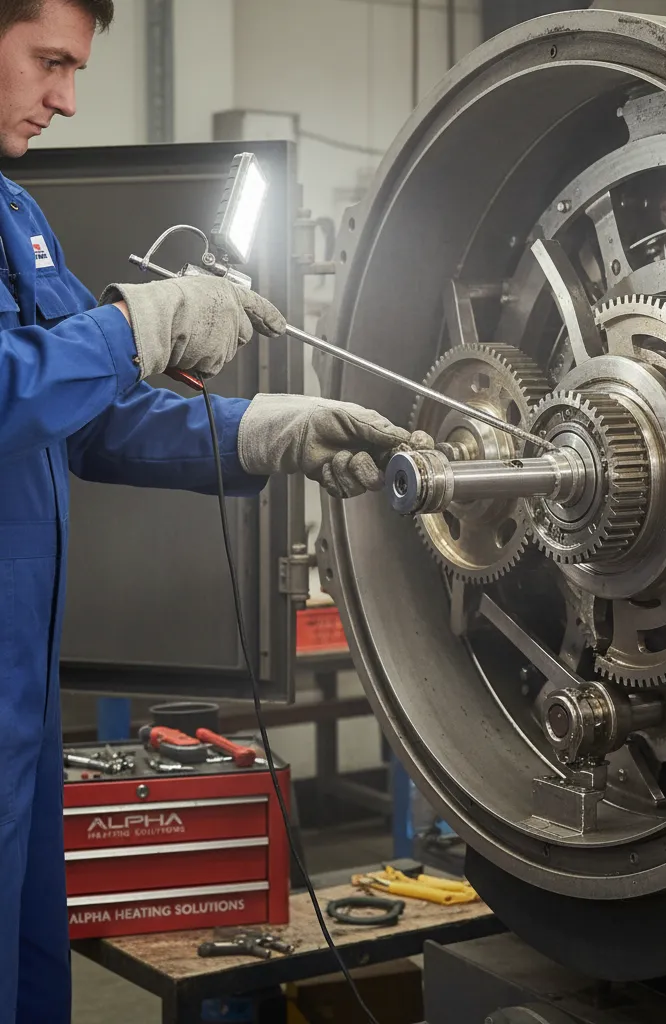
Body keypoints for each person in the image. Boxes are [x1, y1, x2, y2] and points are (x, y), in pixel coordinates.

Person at [0, 2, 427, 1020]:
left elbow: (89, 419)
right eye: (49, 63)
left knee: (26, 967)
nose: (66, 98)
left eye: (76, 70)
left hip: (20, 700)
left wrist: (254, 431)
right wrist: (133, 323)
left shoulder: (16, 214)